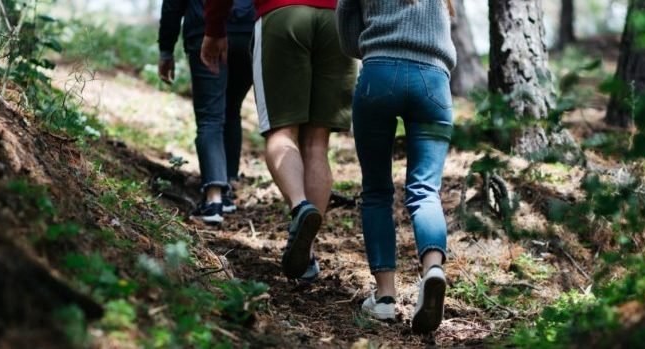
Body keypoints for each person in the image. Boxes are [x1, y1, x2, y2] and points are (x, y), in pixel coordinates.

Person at [201, 0, 356, 280]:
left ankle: (300, 206)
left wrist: (214, 28)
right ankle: (307, 255)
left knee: (281, 131)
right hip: (336, 20)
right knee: (317, 144)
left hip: (282, 14)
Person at [336, 0, 457, 333]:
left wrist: (375, 44)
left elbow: (346, 23)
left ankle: (385, 298)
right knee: (425, 191)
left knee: (376, 191)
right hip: (433, 81)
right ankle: (433, 270)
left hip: (379, 75)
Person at [158, 0, 255, 224]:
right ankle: (226, 189)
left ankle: (214, 200)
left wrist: (166, 50)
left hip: (205, 30)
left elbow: (172, 5)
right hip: (247, 32)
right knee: (231, 109)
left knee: (210, 117)